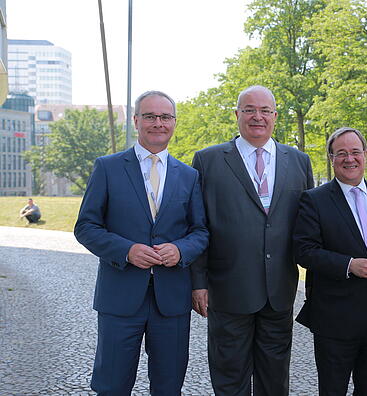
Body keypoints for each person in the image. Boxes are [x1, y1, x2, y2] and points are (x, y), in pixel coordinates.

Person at [74, 90, 209, 395]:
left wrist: (180, 250)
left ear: (174, 123)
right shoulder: (107, 168)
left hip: (171, 300)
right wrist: (127, 251)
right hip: (120, 298)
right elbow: (85, 227)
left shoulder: (188, 176)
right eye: (150, 116)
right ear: (136, 120)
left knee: (168, 386)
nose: (157, 123)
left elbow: (200, 232)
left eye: (165, 117)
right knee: (111, 386)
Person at [190, 85, 314, 396]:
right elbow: (197, 224)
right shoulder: (208, 161)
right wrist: (197, 282)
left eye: (264, 111)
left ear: (275, 116)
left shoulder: (299, 161)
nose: (257, 117)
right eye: (249, 110)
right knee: (229, 378)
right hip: (228, 290)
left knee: (275, 380)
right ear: (236, 115)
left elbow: (310, 228)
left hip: (279, 292)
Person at [293, 127, 367, 395]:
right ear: (331, 158)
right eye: (341, 153)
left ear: (366, 155)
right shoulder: (314, 200)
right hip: (334, 318)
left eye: (356, 152)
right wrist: (348, 265)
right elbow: (304, 251)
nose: (350, 159)